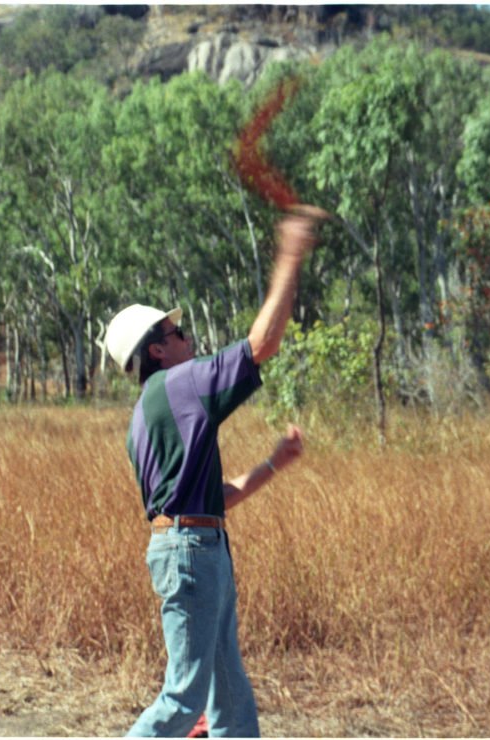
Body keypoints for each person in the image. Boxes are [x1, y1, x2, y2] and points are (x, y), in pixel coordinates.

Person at [105, 206, 326, 737]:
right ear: (157, 350)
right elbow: (261, 345)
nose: (187, 336)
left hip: (198, 549)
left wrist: (273, 463)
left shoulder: (145, 415)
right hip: (191, 556)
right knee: (183, 700)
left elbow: (210, 500)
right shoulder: (177, 385)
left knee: (229, 699)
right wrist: (291, 254)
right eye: (176, 331)